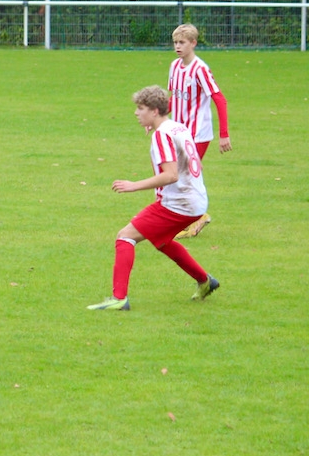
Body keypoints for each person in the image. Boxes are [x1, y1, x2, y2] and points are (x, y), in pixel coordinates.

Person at [87, 85, 219, 311]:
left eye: (141, 108)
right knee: (163, 241)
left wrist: (133, 186)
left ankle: (119, 299)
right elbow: (195, 162)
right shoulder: (177, 127)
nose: (136, 113)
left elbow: (171, 175)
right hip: (196, 201)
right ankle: (205, 281)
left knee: (125, 237)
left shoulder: (162, 135)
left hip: (179, 204)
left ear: (155, 111)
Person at [168, 23, 231, 239]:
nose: (177, 46)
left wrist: (224, 134)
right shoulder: (174, 66)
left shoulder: (200, 69)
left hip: (197, 134)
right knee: (178, 175)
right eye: (175, 42)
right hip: (177, 132)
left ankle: (196, 217)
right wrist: (156, 117)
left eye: (182, 42)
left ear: (193, 43)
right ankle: (192, 217)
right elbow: (174, 97)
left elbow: (219, 99)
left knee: (182, 175)